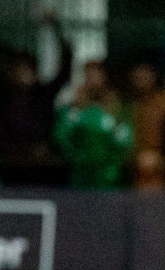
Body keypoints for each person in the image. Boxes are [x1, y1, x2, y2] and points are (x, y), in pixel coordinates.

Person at [0, 13, 72, 185]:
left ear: (35, 73)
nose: (22, 75)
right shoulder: (2, 98)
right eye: (18, 70)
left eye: (27, 70)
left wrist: (57, 27)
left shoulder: (43, 95)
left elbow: (65, 68)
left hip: (42, 169)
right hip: (11, 169)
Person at [53, 59, 134, 189]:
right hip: (79, 179)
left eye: (97, 75)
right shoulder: (74, 109)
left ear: (105, 77)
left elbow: (125, 141)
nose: (93, 80)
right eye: (89, 75)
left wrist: (111, 168)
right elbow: (61, 137)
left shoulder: (117, 109)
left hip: (110, 180)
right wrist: (76, 160)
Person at [126, 60, 165, 190]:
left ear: (154, 75)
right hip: (132, 172)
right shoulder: (125, 106)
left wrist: (161, 157)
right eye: (137, 73)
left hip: (160, 171)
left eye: (145, 72)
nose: (141, 77)